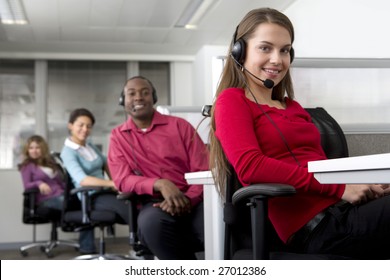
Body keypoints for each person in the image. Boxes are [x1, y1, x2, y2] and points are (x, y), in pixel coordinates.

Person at [208, 7, 390, 259]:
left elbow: (319, 165)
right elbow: (250, 166)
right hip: (320, 229)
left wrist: (367, 184)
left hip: (345, 210)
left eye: (284, 50)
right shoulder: (232, 101)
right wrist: (340, 188)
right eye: (265, 48)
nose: (277, 59)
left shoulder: (292, 106)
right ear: (240, 51)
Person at [107, 76, 209, 260]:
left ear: (153, 98)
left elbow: (203, 171)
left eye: (145, 92)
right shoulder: (118, 136)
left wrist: (187, 199)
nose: (138, 97)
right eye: (132, 93)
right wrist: (159, 184)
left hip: (193, 199)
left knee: (219, 225)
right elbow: (122, 180)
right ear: (123, 101)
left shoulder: (180, 126)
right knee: (151, 224)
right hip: (153, 204)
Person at [60, 108, 129, 254]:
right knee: (126, 208)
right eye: (81, 125)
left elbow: (106, 162)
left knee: (133, 200)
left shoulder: (89, 145)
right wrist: (112, 184)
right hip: (90, 196)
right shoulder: (68, 152)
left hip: (104, 191)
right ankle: (144, 247)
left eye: (89, 126)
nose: (85, 129)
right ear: (70, 125)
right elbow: (83, 180)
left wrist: (116, 180)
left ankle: (144, 243)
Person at [19, 135, 65, 210]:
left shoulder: (51, 163)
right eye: (31, 148)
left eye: (37, 148)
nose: (34, 151)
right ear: (27, 150)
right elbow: (26, 185)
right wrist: (39, 183)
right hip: (46, 199)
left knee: (80, 200)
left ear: (43, 149)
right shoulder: (27, 166)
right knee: (67, 203)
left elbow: (59, 182)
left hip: (61, 194)